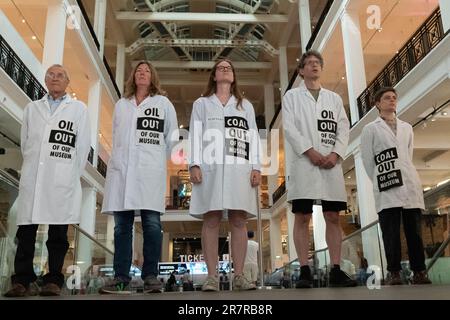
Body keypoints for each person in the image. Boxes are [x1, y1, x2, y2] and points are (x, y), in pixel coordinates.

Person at [4, 65, 91, 297]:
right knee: (25, 234)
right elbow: (26, 144)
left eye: (60, 75)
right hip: (34, 178)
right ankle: (22, 281)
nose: (55, 78)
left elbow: (82, 147)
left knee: (58, 235)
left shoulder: (79, 110)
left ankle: (53, 280)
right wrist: (38, 165)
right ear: (45, 80)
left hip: (60, 179)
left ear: (67, 81)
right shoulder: (32, 108)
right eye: (51, 75)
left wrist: (68, 173)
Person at [99, 61, 178, 294]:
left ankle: (150, 276)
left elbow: (171, 136)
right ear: (133, 77)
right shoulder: (122, 104)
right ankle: (121, 276)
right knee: (122, 227)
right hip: (123, 172)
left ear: (153, 77)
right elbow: (117, 135)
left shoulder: (163, 103)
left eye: (147, 71)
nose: (142, 74)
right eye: (138, 71)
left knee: (152, 225)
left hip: (149, 173)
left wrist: (152, 158)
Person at [282, 50, 356, 288]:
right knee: (302, 216)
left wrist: (335, 153)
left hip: (331, 164)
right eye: (309, 63)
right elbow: (290, 129)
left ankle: (336, 269)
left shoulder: (333, 99)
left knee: (332, 216)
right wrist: (310, 151)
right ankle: (304, 270)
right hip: (304, 163)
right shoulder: (292, 97)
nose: (314, 66)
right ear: (301, 70)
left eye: (317, 63)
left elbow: (343, 128)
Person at [189, 59, 261, 291]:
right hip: (210, 168)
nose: (225, 69)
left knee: (239, 219)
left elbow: (253, 138)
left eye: (229, 67)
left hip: (240, 168)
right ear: (214, 76)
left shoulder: (245, 106)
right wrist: (194, 164)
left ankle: (239, 276)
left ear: (234, 76)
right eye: (220, 67)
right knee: (211, 219)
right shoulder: (202, 104)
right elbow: (195, 135)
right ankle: (212, 276)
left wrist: (257, 167)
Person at [360, 87, 431, 285]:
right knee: (390, 233)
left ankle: (419, 272)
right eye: (386, 98)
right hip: (387, 183)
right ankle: (394, 272)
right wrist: (380, 178)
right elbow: (368, 161)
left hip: (409, 183)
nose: (391, 100)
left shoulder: (407, 127)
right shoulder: (370, 129)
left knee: (414, 233)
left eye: (394, 98)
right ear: (377, 103)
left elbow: (407, 155)